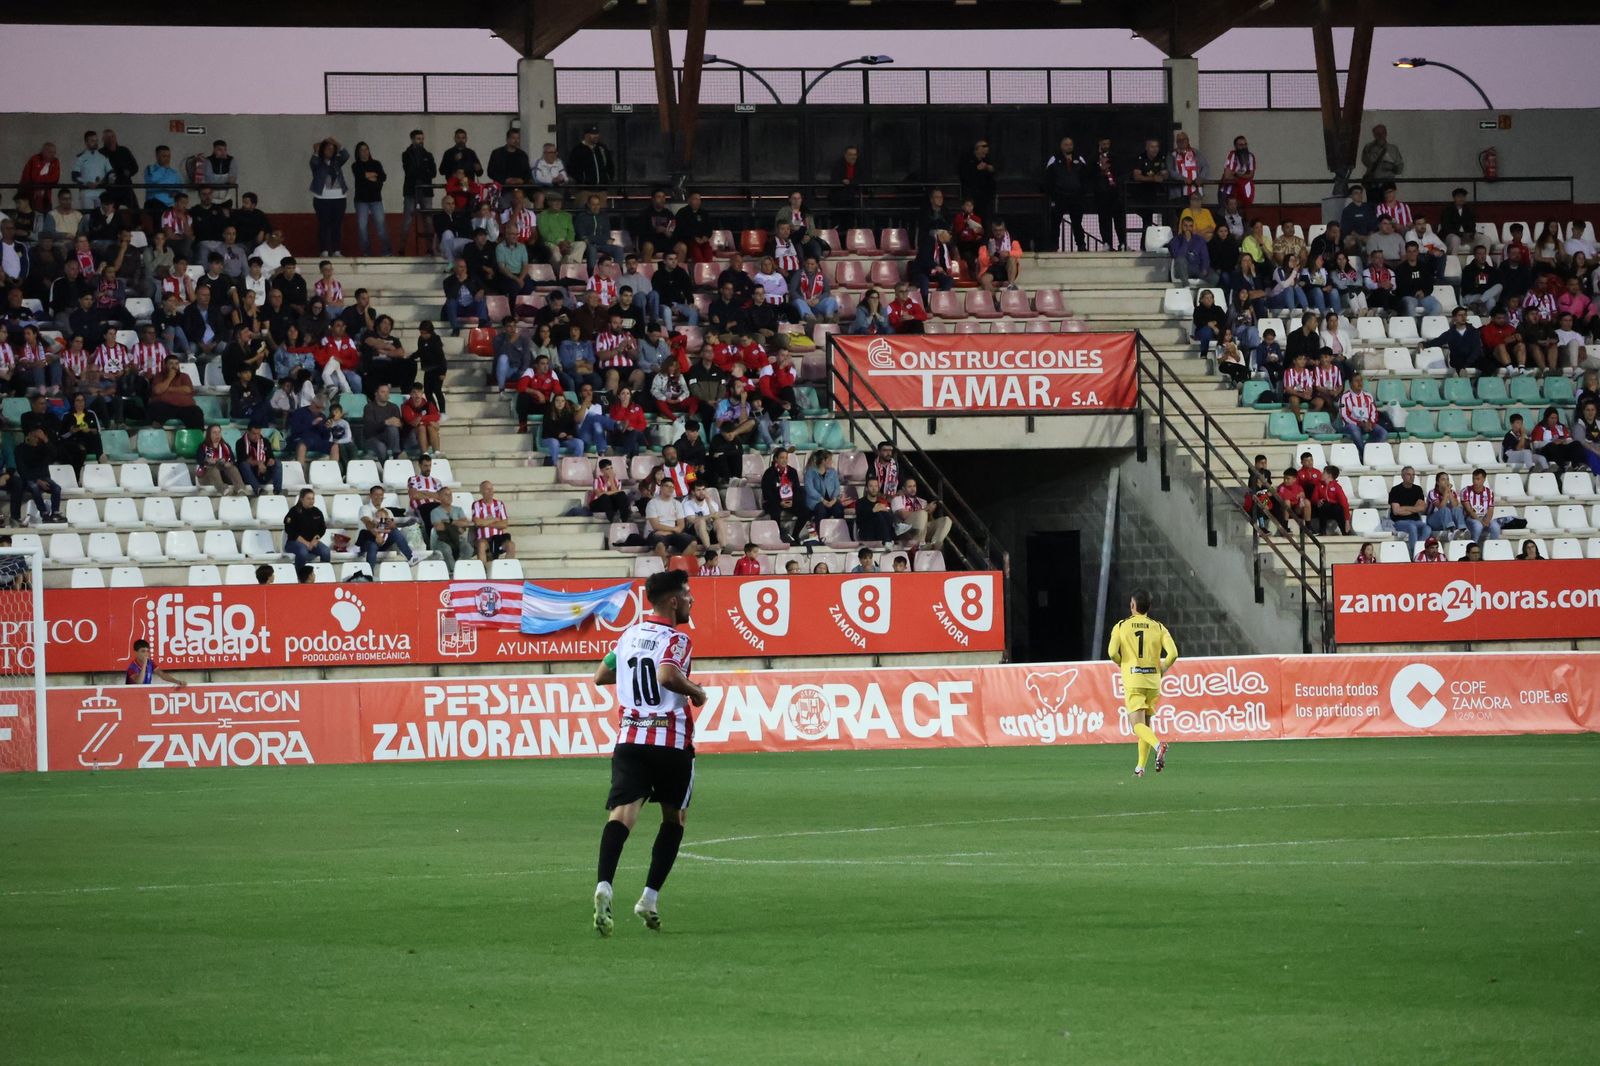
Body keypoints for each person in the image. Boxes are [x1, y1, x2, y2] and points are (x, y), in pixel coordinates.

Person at [590, 568, 705, 936]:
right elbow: (668, 675)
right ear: (673, 601)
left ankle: (604, 885)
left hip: (630, 740)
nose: (691, 601)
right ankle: (649, 898)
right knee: (674, 820)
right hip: (669, 741)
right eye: (687, 595)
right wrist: (696, 692)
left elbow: (600, 676)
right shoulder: (677, 639)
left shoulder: (627, 637)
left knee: (621, 817)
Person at [1107, 589, 1178, 778]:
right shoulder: (1159, 627)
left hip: (1134, 680)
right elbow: (1173, 654)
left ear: (1132, 606)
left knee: (1135, 725)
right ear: (1149, 607)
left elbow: (1112, 652)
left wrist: (1122, 662)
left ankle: (1158, 745)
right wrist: (1161, 669)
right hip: (1153, 682)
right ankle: (1140, 767)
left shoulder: (1121, 626)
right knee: (1145, 724)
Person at [1043, 137, 1089, 252]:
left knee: (1077, 222)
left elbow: (1085, 177)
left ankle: (1081, 245)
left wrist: (1082, 192)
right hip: (1059, 196)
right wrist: (1053, 193)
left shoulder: (1079, 159)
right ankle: (1054, 246)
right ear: (1061, 146)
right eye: (1066, 144)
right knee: (1055, 222)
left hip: (1076, 196)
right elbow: (1048, 178)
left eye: (1070, 144)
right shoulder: (1054, 159)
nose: (1069, 146)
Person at [309, 138, 350, 257]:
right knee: (323, 224)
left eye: (332, 149)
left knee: (337, 224)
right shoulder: (317, 162)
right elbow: (314, 157)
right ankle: (324, 250)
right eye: (328, 148)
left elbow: (346, 154)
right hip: (322, 198)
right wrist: (320, 146)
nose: (330, 150)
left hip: (339, 197)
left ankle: (337, 250)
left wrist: (335, 142)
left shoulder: (337, 161)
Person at [358, 484, 415, 570]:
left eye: (381, 495)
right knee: (372, 545)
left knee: (395, 531)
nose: (379, 497)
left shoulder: (387, 511)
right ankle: (369, 574)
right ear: (370, 496)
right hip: (368, 540)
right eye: (376, 495)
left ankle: (411, 558)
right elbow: (367, 523)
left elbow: (392, 526)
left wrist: (391, 525)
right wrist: (377, 535)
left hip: (384, 539)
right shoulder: (364, 508)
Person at [400, 130, 438, 253]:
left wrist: (420, 170)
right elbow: (410, 172)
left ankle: (430, 249)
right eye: (418, 138)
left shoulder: (428, 155)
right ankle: (401, 249)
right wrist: (423, 170)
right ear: (412, 139)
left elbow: (433, 173)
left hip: (426, 191)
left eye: (422, 138)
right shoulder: (406, 154)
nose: (421, 141)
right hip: (411, 191)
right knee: (407, 220)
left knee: (428, 221)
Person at [350, 142, 391, 257]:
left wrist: (367, 175)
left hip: (376, 199)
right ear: (358, 153)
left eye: (366, 149)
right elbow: (359, 175)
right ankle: (366, 253)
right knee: (362, 227)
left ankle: (387, 251)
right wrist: (371, 176)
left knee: (381, 225)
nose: (364, 152)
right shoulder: (355, 165)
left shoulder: (376, 163)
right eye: (362, 150)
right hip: (361, 200)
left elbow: (383, 177)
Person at [761, 448, 804, 544]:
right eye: (781, 458)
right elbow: (767, 493)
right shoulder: (769, 473)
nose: (784, 460)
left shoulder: (792, 471)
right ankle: (778, 535)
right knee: (775, 511)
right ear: (776, 459)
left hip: (789, 501)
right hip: (774, 502)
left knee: (806, 511)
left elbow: (797, 490)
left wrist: (792, 501)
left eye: (786, 458)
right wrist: (779, 502)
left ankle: (795, 535)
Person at [644, 481, 695, 557]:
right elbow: (656, 525)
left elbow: (681, 526)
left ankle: (678, 564)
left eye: (672, 487)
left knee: (693, 543)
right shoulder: (652, 503)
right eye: (667, 486)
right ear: (661, 488)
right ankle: (666, 566)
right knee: (660, 545)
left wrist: (671, 531)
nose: (670, 489)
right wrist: (674, 529)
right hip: (656, 533)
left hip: (672, 533)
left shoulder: (677, 503)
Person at [1388, 466, 1430, 556]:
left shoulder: (1418, 489)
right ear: (1402, 476)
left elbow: (1422, 508)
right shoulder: (1395, 490)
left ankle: (1420, 550)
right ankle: (1414, 554)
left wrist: (1404, 508)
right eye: (1409, 474)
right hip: (1399, 521)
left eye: (1413, 475)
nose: (1412, 477)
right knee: (1412, 527)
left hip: (1416, 520)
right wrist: (1414, 509)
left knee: (1427, 528)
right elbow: (1396, 511)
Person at [196, 424, 248, 495]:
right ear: (209, 434)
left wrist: (229, 463)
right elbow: (199, 460)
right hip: (207, 475)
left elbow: (232, 460)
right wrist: (207, 460)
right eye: (214, 432)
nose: (217, 435)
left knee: (232, 468)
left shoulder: (225, 446)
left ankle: (240, 489)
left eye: (219, 432)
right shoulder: (203, 446)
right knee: (213, 469)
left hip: (223, 474)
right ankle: (224, 490)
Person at [284, 488, 331, 567]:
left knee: (326, 551)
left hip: (312, 542)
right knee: (303, 552)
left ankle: (324, 574)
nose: (311, 501)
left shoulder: (317, 512)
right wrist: (306, 543)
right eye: (308, 499)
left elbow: (322, 528)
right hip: (294, 542)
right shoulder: (294, 511)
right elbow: (290, 530)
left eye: (313, 498)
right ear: (302, 499)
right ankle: (301, 576)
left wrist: (314, 540)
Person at [472, 481, 515, 563]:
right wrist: (495, 519)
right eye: (487, 489)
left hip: (498, 538)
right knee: (481, 545)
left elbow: (504, 524)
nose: (491, 491)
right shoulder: (476, 504)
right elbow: (477, 522)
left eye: (491, 489)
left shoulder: (499, 504)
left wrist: (485, 523)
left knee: (511, 545)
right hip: (483, 538)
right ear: (481, 491)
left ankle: (506, 572)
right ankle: (483, 571)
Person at [959, 139, 998, 221]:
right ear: (977, 148)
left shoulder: (988, 160)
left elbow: (994, 170)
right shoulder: (967, 160)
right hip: (972, 198)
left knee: (986, 220)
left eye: (987, 146)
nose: (986, 149)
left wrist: (989, 168)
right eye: (983, 146)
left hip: (986, 198)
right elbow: (964, 176)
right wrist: (976, 169)